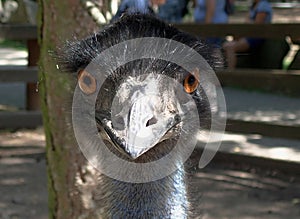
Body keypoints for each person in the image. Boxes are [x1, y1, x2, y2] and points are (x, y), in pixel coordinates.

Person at [223, 0, 272, 69]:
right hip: (249, 35)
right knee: (227, 45)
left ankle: (230, 71)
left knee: (229, 47)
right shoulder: (254, 5)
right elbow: (247, 22)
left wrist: (249, 22)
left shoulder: (263, 5)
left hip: (256, 37)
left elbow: (257, 25)